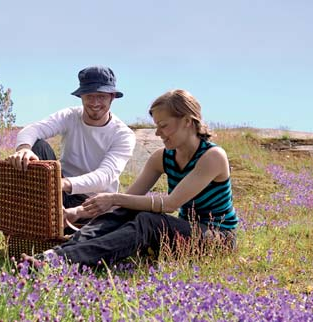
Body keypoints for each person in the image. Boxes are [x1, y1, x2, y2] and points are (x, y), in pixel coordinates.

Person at [28, 89, 239, 267]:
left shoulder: (212, 156)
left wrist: (114, 198)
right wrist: (78, 212)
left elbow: (170, 204)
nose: (158, 133)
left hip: (216, 238)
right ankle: (54, 255)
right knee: (125, 211)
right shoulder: (162, 158)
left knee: (148, 221)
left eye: (163, 126)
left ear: (186, 121)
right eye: (156, 126)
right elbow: (128, 201)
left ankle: (64, 261)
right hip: (182, 233)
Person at [6, 66, 136, 225]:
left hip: (94, 203)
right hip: (59, 192)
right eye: (89, 96)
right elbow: (33, 129)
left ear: (112, 97)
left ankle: (57, 223)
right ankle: (34, 220)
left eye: (101, 96)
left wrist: (59, 184)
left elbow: (104, 177)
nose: (95, 103)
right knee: (37, 146)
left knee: (98, 229)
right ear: (81, 96)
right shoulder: (70, 116)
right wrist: (23, 149)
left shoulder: (123, 134)